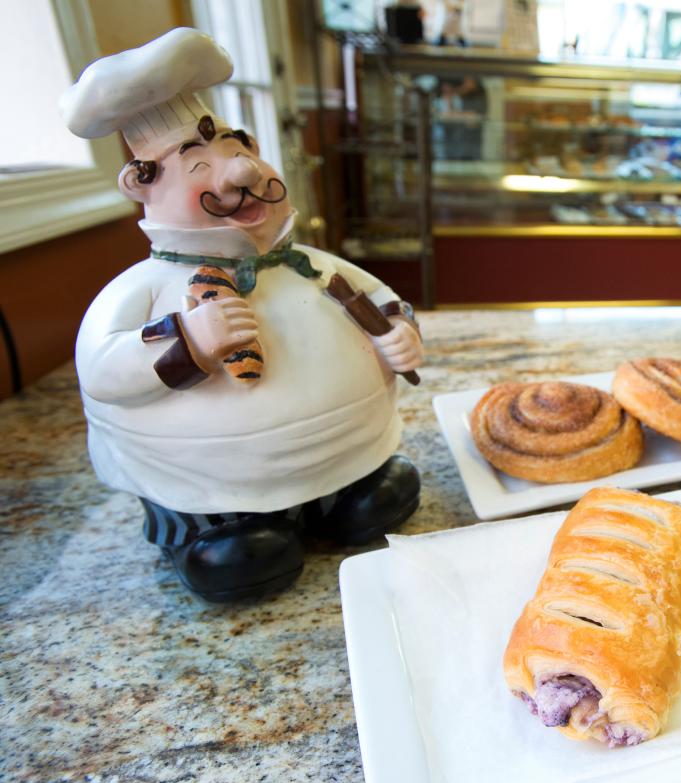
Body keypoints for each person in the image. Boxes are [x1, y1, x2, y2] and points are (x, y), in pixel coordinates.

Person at [60, 28, 424, 602]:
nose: (242, 173)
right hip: (207, 484)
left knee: (383, 499)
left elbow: (381, 300)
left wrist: (399, 330)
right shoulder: (143, 291)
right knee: (244, 559)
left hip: (349, 452)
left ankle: (339, 496)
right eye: (198, 164)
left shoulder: (310, 263)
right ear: (142, 185)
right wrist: (186, 342)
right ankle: (217, 529)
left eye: (238, 150)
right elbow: (103, 371)